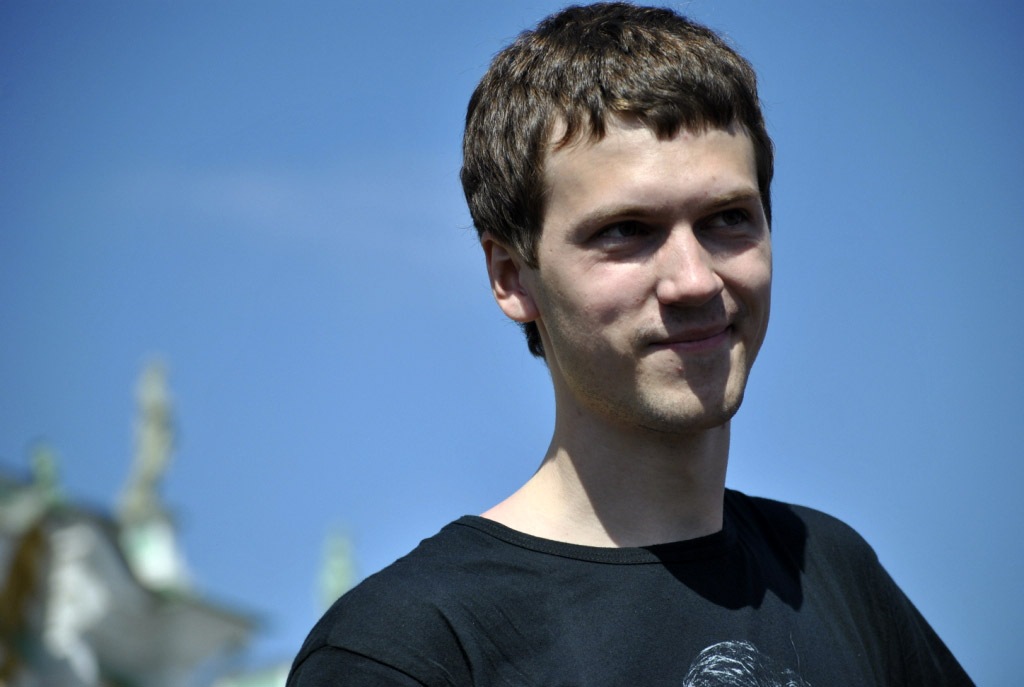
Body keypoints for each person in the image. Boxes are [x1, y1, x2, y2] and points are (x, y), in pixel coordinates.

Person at [288, 3, 973, 685]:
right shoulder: (409, 648)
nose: (694, 280)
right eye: (626, 231)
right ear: (511, 276)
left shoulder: (831, 572)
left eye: (728, 218)